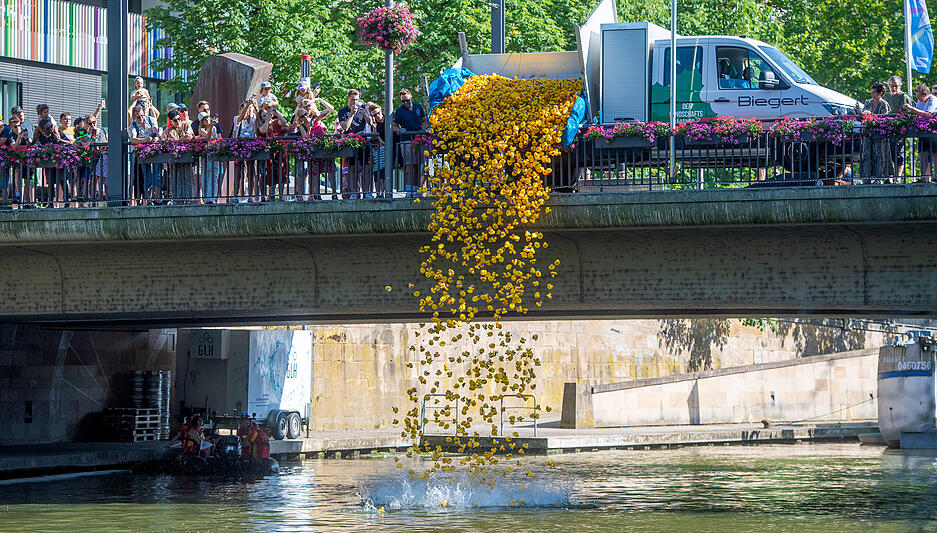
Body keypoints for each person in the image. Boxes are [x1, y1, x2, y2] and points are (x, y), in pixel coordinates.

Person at [855, 81, 893, 182]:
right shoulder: (868, 102)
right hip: (867, 133)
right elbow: (862, 116)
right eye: (871, 92)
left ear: (880, 93)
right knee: (867, 155)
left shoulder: (884, 104)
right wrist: (859, 112)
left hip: (879, 134)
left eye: (874, 92)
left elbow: (885, 118)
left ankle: (879, 178)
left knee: (879, 155)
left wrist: (871, 114)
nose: (872, 94)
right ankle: (867, 178)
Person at [393, 88, 427, 194]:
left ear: (411, 97)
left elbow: (424, 120)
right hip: (406, 140)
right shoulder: (399, 110)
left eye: (407, 100)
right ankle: (409, 189)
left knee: (419, 165)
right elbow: (394, 126)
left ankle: (417, 189)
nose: (405, 103)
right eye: (403, 101)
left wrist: (423, 129)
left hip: (418, 139)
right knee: (409, 166)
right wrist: (400, 130)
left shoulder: (418, 107)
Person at [128, 105, 162, 204]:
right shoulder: (133, 125)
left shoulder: (151, 120)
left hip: (154, 151)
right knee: (146, 175)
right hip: (142, 154)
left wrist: (155, 137)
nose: (141, 118)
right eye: (138, 117)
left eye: (142, 115)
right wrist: (145, 140)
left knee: (157, 174)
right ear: (134, 117)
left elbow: (155, 132)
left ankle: (156, 198)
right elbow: (133, 139)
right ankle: (147, 200)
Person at [903, 83, 937, 182]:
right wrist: (907, 112)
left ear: (925, 94)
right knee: (923, 153)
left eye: (919, 96)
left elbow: (928, 114)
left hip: (933, 130)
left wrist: (912, 108)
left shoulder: (933, 100)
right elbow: (917, 113)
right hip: (923, 131)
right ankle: (924, 177)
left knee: (935, 153)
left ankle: (936, 177)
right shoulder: (920, 100)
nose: (918, 99)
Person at [884, 75, 913, 177]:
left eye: (896, 85)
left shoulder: (903, 97)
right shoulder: (886, 97)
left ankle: (898, 177)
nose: (894, 88)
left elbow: (910, 111)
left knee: (899, 153)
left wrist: (892, 112)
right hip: (886, 129)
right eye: (892, 86)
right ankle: (890, 177)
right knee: (887, 154)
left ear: (900, 85)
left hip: (899, 129)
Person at [0, 115, 27, 208]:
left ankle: (20, 199)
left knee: (20, 178)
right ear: (11, 127)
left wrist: (26, 138)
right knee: (7, 179)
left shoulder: (24, 132)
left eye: (19, 125)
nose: (18, 128)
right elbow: (14, 146)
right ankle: (6, 202)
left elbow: (30, 143)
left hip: (22, 159)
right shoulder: (11, 134)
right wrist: (19, 137)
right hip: (9, 159)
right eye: (15, 126)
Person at [197, 112, 223, 203]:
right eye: (204, 119)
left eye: (207, 117)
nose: (207, 120)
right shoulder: (200, 129)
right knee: (206, 175)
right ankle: (206, 197)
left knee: (214, 175)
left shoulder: (214, 128)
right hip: (206, 155)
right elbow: (207, 136)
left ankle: (213, 197)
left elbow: (217, 139)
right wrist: (211, 126)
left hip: (214, 154)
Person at [369, 103, 387, 197]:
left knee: (384, 173)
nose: (377, 116)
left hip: (387, 148)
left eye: (378, 113)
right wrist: (374, 127)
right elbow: (373, 137)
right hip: (378, 150)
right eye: (374, 115)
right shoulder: (375, 124)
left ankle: (383, 193)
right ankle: (378, 193)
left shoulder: (388, 119)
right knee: (377, 172)